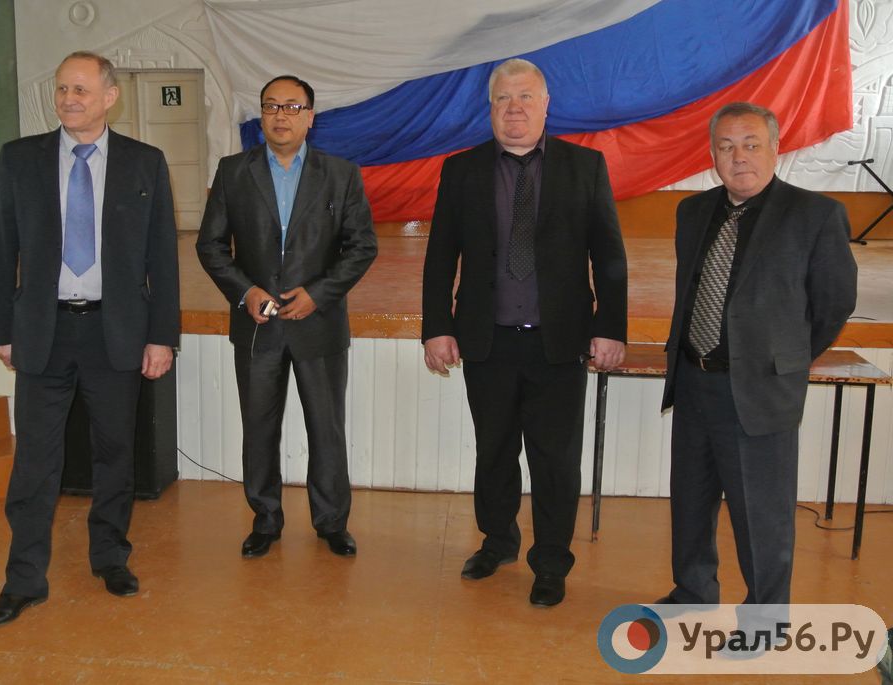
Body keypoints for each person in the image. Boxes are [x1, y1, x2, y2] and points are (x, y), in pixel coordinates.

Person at [0, 51, 180, 627]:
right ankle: (23, 580)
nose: (69, 99)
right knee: (35, 461)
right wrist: (1, 329)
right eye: (62, 88)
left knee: (115, 453)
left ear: (110, 97)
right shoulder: (20, 159)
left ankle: (110, 557)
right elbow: (1, 253)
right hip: (43, 331)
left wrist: (161, 337)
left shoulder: (144, 162)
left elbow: (162, 258)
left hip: (116, 332)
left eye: (82, 90)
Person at [421, 58, 627, 607]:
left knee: (555, 459)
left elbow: (609, 255)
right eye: (503, 99)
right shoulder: (461, 170)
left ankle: (552, 562)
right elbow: (440, 256)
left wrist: (610, 327)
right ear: (490, 108)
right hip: (486, 339)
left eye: (525, 97)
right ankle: (497, 541)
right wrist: (436, 327)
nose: (514, 108)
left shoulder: (585, 167)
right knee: (494, 451)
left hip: (559, 342)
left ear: (545, 105)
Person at [657, 102, 857, 620]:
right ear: (713, 154)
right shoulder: (692, 212)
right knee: (691, 500)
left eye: (750, 144)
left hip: (759, 391)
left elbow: (834, 303)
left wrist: (784, 359)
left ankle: (767, 618)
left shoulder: (815, 215)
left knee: (760, 514)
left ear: (775, 148)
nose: (738, 157)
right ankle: (693, 593)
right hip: (693, 380)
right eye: (726, 146)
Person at [196, 75, 376, 559]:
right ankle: (265, 519)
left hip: (319, 324)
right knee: (258, 429)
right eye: (271, 106)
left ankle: (332, 522)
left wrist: (319, 294)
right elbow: (210, 245)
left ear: (310, 117)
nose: (281, 115)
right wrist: (245, 291)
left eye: (292, 107)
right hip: (257, 326)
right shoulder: (234, 171)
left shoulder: (340, 174)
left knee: (326, 428)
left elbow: (362, 247)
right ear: (261, 115)